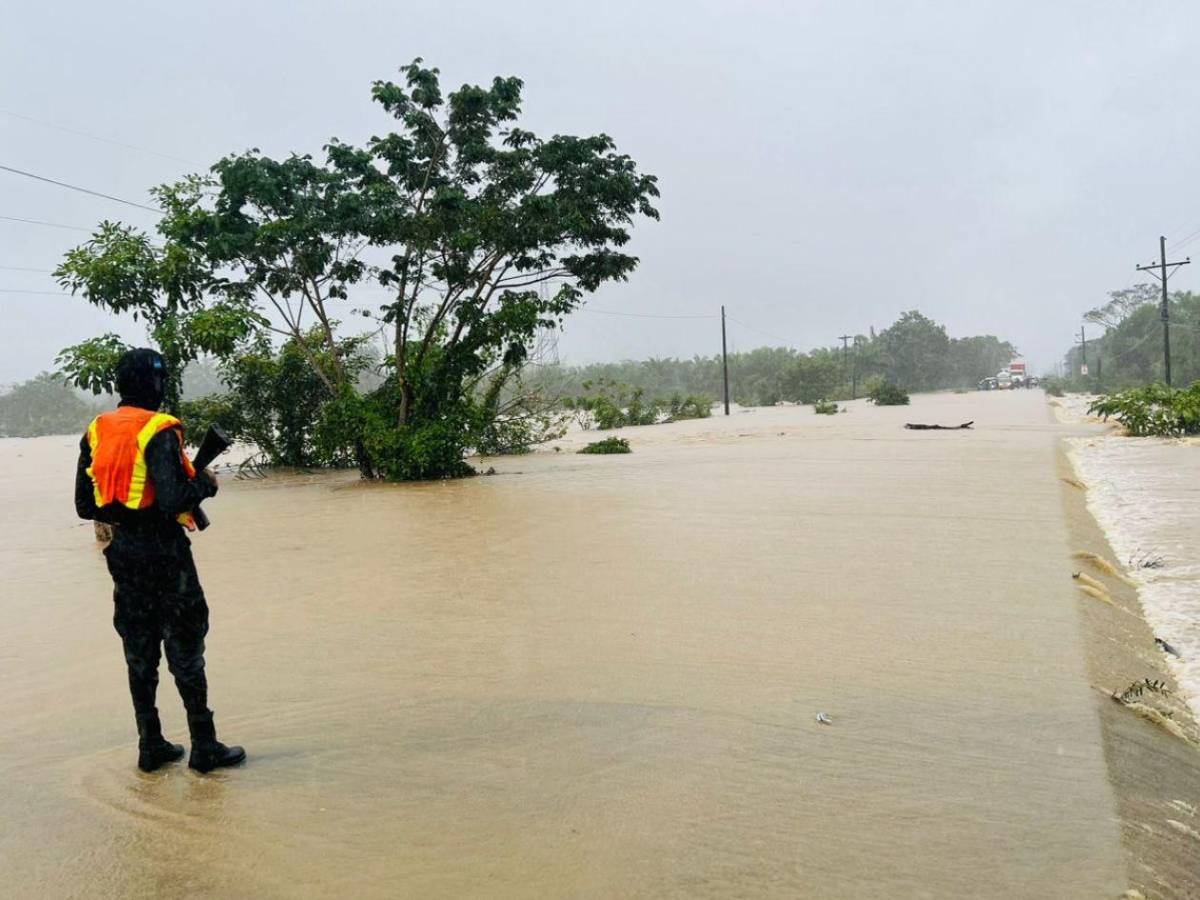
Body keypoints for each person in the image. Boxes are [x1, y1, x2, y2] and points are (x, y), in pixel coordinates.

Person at [75, 348, 245, 774]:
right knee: (186, 647)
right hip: (166, 554)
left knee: (139, 650)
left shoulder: (96, 430)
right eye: (162, 379)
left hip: (123, 554)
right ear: (155, 383)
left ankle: (150, 745)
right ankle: (204, 747)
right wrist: (204, 484)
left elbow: (83, 504)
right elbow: (172, 501)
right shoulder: (158, 430)